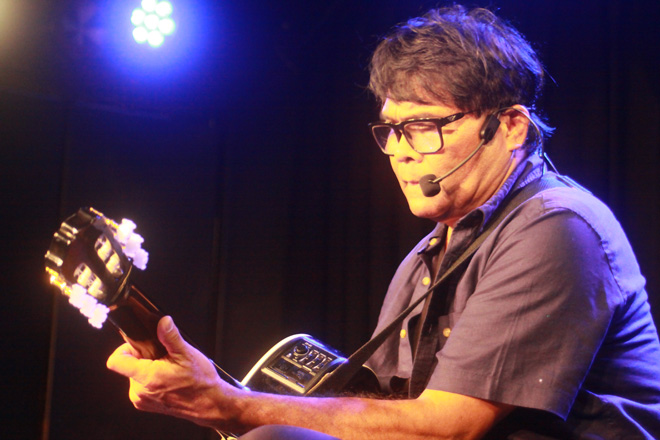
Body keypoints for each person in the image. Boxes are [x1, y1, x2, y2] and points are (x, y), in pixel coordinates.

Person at [107, 5, 660, 439]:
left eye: (424, 126)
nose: (399, 150)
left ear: (510, 127)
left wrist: (232, 405)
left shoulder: (559, 228)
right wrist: (212, 392)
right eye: (392, 129)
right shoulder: (424, 261)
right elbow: (385, 415)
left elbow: (449, 427)